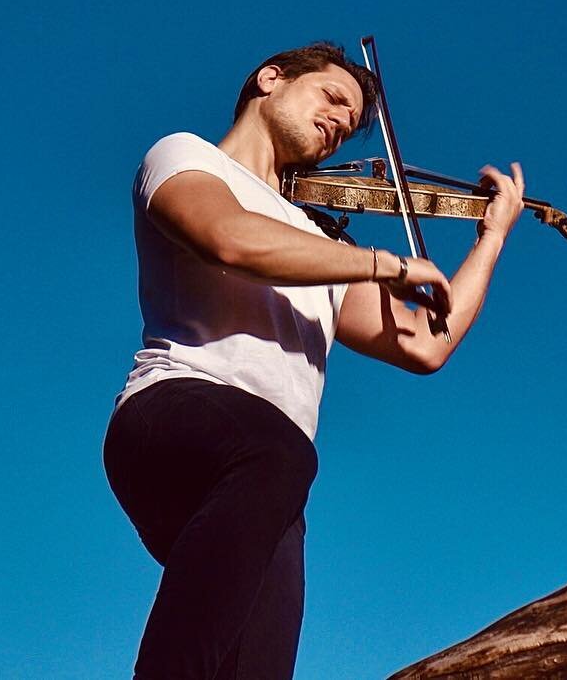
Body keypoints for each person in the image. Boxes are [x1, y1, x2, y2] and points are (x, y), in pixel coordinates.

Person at [103, 41, 524, 679]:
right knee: (276, 450)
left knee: (261, 664)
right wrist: (385, 263)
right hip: (174, 415)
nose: (339, 125)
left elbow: (425, 343)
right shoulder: (188, 158)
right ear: (269, 78)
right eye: (331, 99)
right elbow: (229, 239)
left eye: (351, 125)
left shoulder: (318, 241)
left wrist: (491, 238)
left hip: (272, 483)